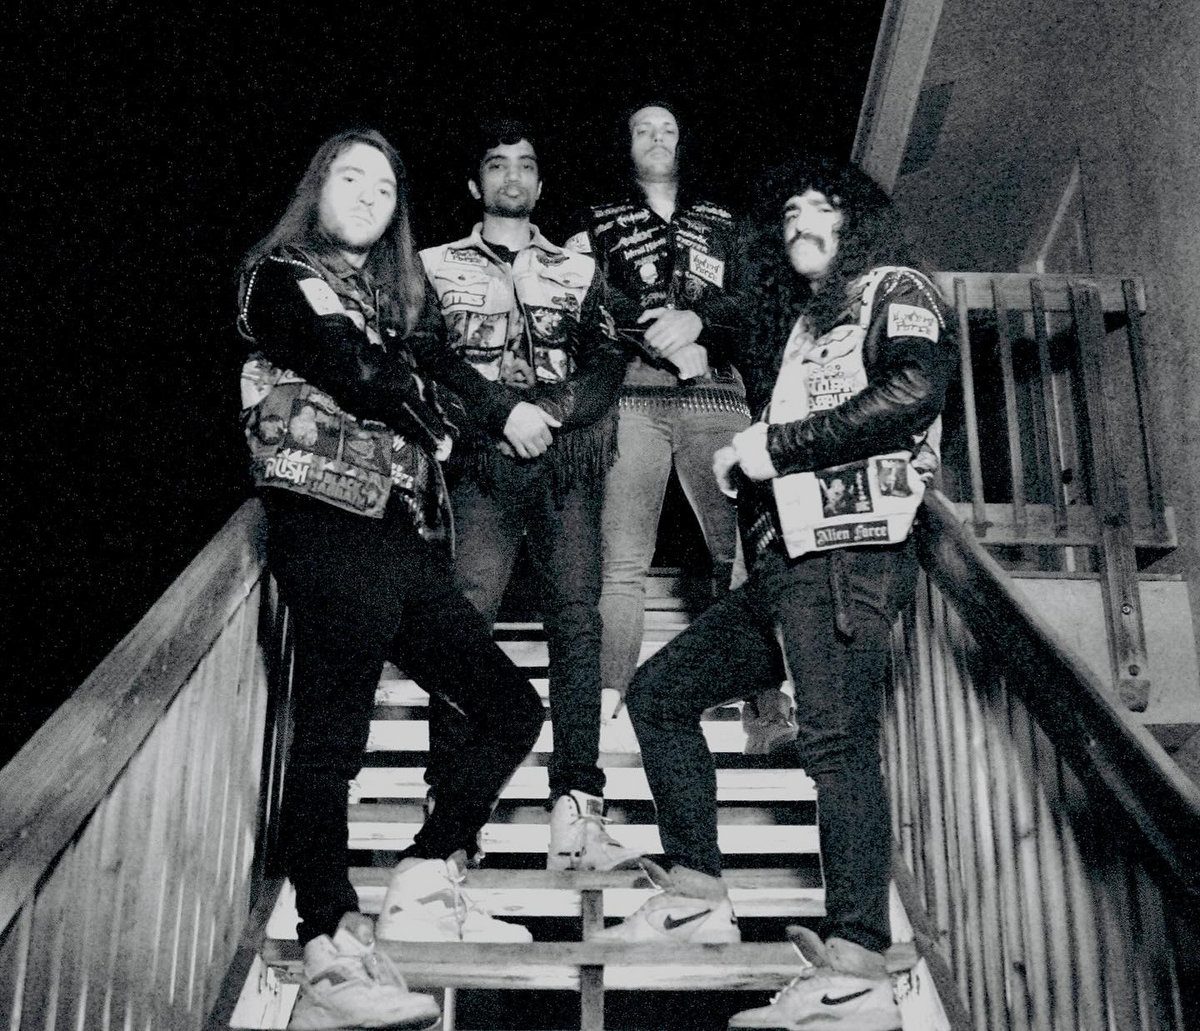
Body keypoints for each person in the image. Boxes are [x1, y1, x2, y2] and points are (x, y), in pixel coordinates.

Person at [592, 158, 957, 1031]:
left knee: (835, 743)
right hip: (791, 562)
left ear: (857, 222)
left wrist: (771, 447)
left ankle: (856, 970)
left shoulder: (892, 287)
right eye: (789, 211)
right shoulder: (804, 322)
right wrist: (753, 462)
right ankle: (696, 893)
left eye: (820, 207)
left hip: (852, 554)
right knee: (660, 692)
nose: (799, 221)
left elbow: (914, 388)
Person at [237, 128, 545, 1030]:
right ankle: (327, 949)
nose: (371, 194)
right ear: (317, 187)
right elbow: (355, 368)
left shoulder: (383, 297)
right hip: (327, 523)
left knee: (510, 707)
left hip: (400, 535)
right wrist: (431, 417)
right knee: (333, 739)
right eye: (352, 177)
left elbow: (420, 368)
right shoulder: (280, 274)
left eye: (385, 185)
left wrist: (457, 407)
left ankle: (424, 870)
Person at [419, 119, 642, 872]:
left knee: (576, 621)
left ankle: (577, 804)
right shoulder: (433, 266)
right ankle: (451, 815)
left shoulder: (580, 269)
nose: (512, 176)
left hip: (565, 462)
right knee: (465, 623)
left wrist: (548, 412)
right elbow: (426, 354)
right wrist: (500, 412)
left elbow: (608, 357)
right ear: (474, 184)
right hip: (479, 464)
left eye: (525, 164)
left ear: (540, 184)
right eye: (496, 164)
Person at [564, 102, 793, 754]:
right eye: (643, 129)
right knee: (622, 560)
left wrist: (699, 324)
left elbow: (754, 301)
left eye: (667, 128)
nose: (657, 137)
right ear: (626, 144)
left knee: (742, 550)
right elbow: (588, 301)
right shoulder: (598, 222)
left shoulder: (725, 222)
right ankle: (603, 708)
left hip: (716, 395)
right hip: (632, 397)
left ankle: (767, 709)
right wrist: (660, 338)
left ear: (684, 142)